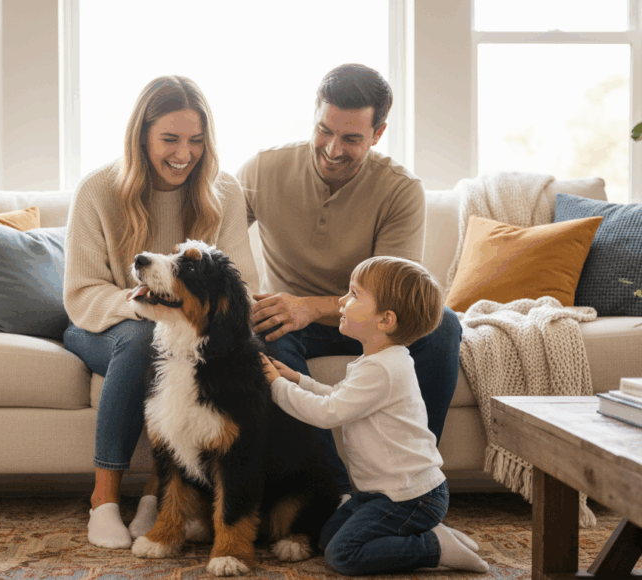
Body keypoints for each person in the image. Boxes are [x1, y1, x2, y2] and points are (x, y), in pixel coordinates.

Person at [238, 63, 462, 498]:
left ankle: (412, 484)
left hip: (372, 322)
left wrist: (310, 305)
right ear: (315, 116)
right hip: (297, 329)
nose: (333, 149)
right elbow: (217, 241)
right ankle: (336, 492)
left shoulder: (400, 189)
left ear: (377, 134)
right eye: (325, 131)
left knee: (443, 325)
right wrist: (253, 298)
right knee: (268, 330)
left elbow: (398, 292)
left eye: (352, 139)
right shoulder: (261, 171)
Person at [63, 76, 260, 549]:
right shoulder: (98, 189)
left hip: (178, 327)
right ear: (143, 136)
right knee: (140, 341)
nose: (183, 153)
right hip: (103, 324)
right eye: (170, 139)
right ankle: (104, 501)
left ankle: (157, 495)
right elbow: (81, 293)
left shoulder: (225, 191)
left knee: (220, 350)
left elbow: (243, 286)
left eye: (195, 141)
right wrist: (147, 310)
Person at [261, 256, 488, 575]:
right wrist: (299, 380)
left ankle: (433, 548)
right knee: (327, 537)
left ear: (385, 321)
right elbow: (341, 397)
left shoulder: (383, 369)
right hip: (380, 494)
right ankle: (430, 532)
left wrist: (276, 387)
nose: (340, 301)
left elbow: (329, 413)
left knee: (343, 555)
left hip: (411, 497)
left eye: (353, 294)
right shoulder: (376, 361)